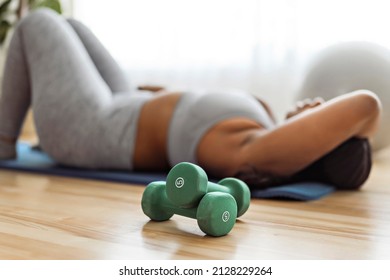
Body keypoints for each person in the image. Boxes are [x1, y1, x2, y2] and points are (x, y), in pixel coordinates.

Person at [0, 9, 382, 190]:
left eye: (324, 113)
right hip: (124, 104)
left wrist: (359, 142)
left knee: (39, 23)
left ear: (318, 145)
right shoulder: (262, 126)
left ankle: (2, 142)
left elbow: (366, 105)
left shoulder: (259, 151)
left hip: (95, 129)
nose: (318, 102)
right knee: (71, 26)